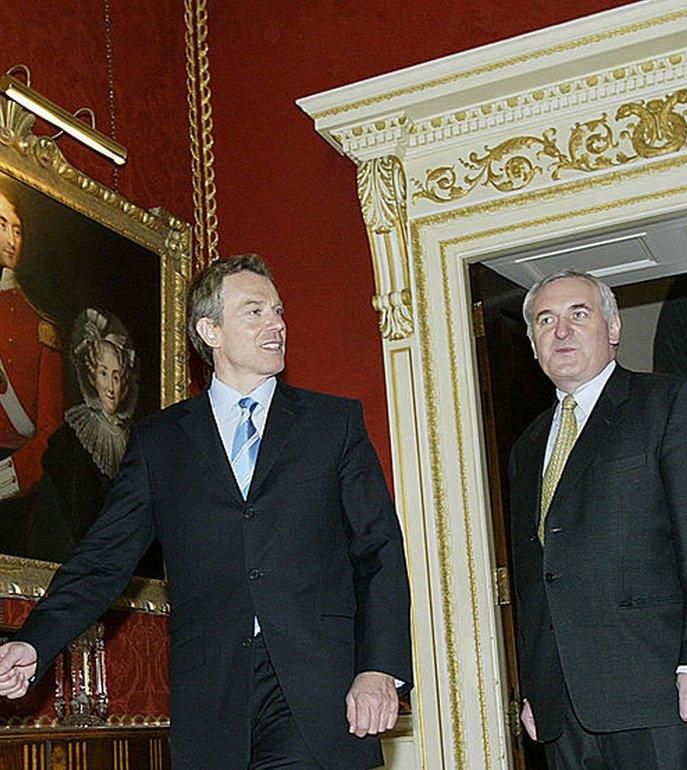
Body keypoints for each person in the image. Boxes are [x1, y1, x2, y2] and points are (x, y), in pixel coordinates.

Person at [0, 254, 413, 770]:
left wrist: (379, 669)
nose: (277, 324)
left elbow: (379, 551)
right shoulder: (159, 442)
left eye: (279, 311)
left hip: (317, 691)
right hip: (213, 697)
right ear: (209, 330)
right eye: (255, 311)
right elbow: (103, 558)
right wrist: (35, 642)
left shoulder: (333, 425)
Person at [509, 270, 687, 769]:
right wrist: (535, 687)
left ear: (613, 328)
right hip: (563, 710)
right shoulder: (527, 447)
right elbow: (536, 579)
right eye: (545, 320)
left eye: (579, 314)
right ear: (533, 345)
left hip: (661, 693)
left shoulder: (669, 403)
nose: (562, 331)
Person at [27, 308, 145, 566]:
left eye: (117, 376)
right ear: (91, 376)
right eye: (104, 374)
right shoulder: (71, 439)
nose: (112, 388)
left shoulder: (136, 441)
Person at [0, 189, 62, 501]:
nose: (11, 239)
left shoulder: (38, 322)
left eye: (17, 229)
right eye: (1, 225)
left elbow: (50, 429)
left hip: (12, 474)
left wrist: (10, 478)